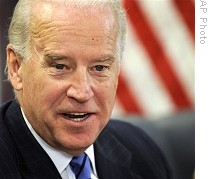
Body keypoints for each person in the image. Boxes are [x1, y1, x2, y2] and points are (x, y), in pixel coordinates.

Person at [0, 0, 172, 178]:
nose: (82, 93)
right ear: (16, 67)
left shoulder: (142, 151)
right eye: (60, 66)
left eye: (99, 68)